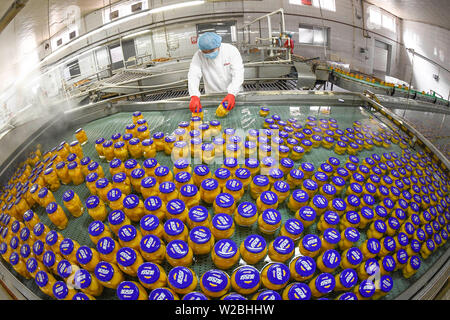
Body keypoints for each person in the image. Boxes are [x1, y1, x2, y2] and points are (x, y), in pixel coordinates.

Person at [188, 32, 244, 114]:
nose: (208, 53)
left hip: (234, 95)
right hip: (212, 95)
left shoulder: (231, 50)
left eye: (211, 50)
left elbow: (238, 73)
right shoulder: (198, 55)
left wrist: (232, 93)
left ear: (218, 45)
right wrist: (194, 95)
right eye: (205, 52)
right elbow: (193, 75)